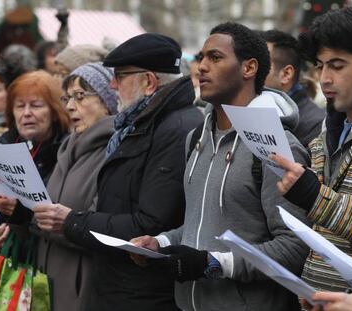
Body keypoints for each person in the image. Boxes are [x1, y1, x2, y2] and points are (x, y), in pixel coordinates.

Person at [132, 22, 310, 311]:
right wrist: (161, 243)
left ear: (249, 68)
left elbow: (294, 247)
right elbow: (200, 227)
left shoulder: (277, 147)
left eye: (215, 58)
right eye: (201, 57)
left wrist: (215, 264)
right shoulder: (195, 139)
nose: (201, 67)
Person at [32, 33, 203, 311]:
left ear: (148, 82)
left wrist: (72, 221)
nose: (113, 85)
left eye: (120, 76)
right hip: (120, 286)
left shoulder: (175, 129)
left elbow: (149, 225)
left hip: (142, 292)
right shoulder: (142, 123)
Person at [270, 5, 352, 295]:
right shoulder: (329, 128)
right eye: (320, 65)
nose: (324, 78)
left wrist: (314, 195)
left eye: (337, 66)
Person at [31, 63, 118, 311]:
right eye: (67, 97)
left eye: (80, 97)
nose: (70, 106)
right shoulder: (67, 148)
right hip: (46, 283)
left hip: (80, 290)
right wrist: (18, 212)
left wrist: (51, 223)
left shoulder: (114, 152)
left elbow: (103, 227)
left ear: (107, 101)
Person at [0, 70, 70, 260]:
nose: (27, 113)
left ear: (54, 111)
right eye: (20, 106)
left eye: (36, 106)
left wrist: (20, 212)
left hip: (50, 260)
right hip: (9, 259)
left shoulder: (67, 152)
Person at [261, 29, 325, 148]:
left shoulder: (316, 125)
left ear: (286, 74)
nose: (250, 71)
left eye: (261, 65)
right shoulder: (251, 110)